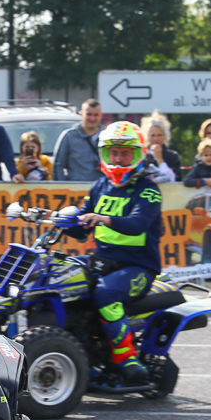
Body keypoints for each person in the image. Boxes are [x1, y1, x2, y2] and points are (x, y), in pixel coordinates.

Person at [60, 121, 163, 383]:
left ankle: (125, 357)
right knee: (58, 275)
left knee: (106, 292)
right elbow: (82, 228)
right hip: (103, 260)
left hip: (139, 266)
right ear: (105, 154)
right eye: (113, 153)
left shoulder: (148, 189)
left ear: (138, 155)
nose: (118, 159)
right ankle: (76, 350)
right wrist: (60, 220)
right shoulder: (99, 186)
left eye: (125, 153)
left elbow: (138, 223)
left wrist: (103, 218)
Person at [53, 98, 104, 181]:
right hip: (76, 190)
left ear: (101, 115)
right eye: (89, 114)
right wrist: (62, 188)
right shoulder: (69, 136)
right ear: (82, 114)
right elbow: (58, 165)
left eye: (96, 115)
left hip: (102, 190)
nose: (92, 118)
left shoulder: (108, 137)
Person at [141, 111, 180, 183]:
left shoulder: (173, 156)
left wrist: (160, 159)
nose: (156, 139)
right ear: (147, 136)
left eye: (159, 135)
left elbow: (174, 180)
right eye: (153, 135)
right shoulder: (142, 155)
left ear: (165, 136)